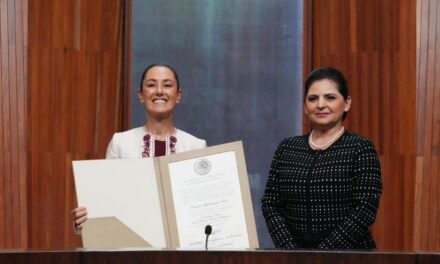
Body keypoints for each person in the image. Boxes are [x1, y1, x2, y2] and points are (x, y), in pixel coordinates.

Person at [71, 63, 206, 233]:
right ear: (141, 95)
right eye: (151, 85)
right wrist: (84, 220)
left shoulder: (196, 146)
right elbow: (105, 198)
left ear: (178, 95)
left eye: (167, 85)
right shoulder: (120, 142)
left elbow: (202, 208)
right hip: (132, 248)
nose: (159, 91)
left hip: (181, 251)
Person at [261, 67, 382, 250]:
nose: (320, 105)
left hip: (349, 257)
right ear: (305, 106)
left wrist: (322, 255)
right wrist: (291, 252)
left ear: (347, 103)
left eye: (330, 97)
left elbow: (365, 208)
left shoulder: (361, 148)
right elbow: (271, 203)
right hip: (294, 258)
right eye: (313, 98)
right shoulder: (287, 148)